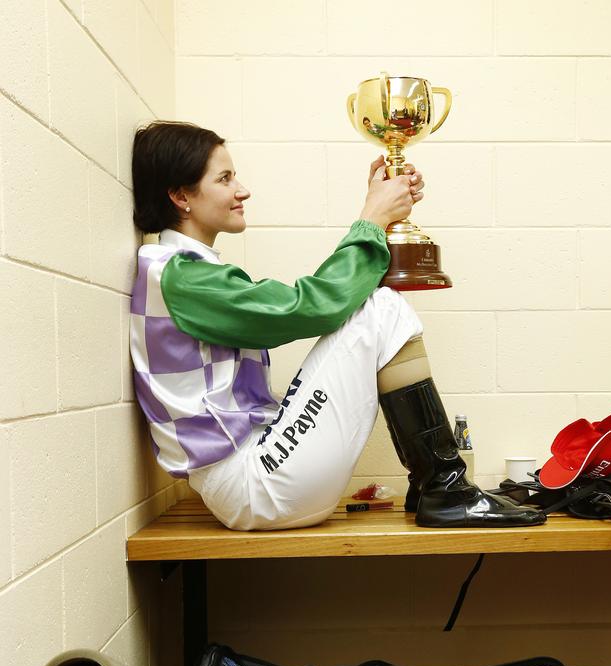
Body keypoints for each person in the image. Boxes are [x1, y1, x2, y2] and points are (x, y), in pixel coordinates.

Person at [130, 121, 544, 531]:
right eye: (224, 178)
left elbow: (316, 305)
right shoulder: (179, 276)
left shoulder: (183, 271)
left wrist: (378, 211)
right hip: (253, 485)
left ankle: (436, 484)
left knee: (380, 307)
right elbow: (312, 308)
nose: (242, 190)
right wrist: (373, 218)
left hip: (256, 475)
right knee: (382, 308)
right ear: (181, 195)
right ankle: (445, 488)